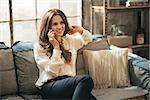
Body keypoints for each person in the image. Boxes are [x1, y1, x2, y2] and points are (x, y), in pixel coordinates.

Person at [34, 8, 96, 100]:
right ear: (48, 27)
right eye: (55, 24)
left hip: (69, 85)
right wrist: (56, 47)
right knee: (86, 80)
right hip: (50, 87)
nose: (59, 27)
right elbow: (52, 72)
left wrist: (80, 30)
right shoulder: (39, 46)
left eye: (62, 22)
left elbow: (88, 39)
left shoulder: (69, 40)